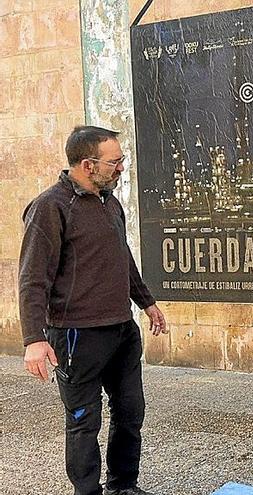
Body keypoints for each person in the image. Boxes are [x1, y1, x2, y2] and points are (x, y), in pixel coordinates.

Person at [19, 125, 167, 495]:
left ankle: (123, 486)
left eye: (121, 160)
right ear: (87, 164)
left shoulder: (110, 201)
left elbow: (123, 259)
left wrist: (146, 304)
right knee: (84, 420)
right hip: (76, 335)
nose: (121, 168)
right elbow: (32, 278)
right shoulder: (49, 208)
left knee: (130, 413)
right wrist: (34, 339)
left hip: (121, 330)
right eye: (114, 162)